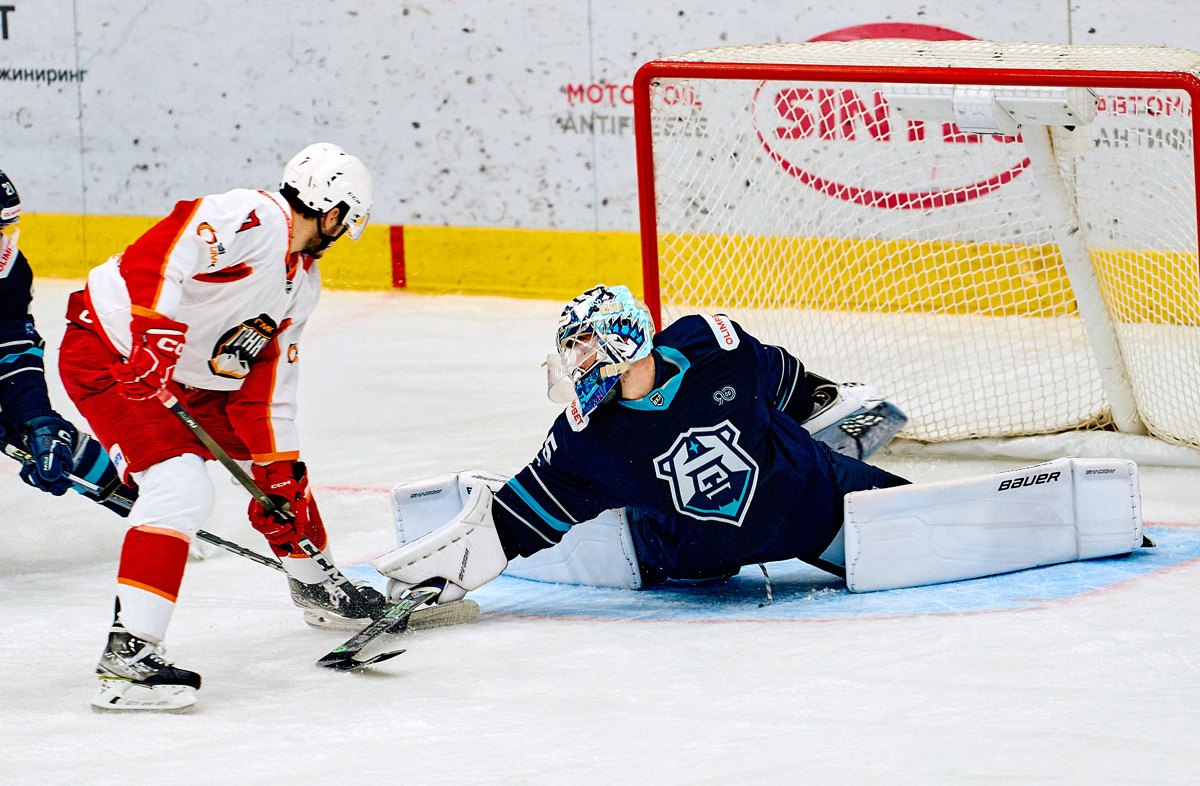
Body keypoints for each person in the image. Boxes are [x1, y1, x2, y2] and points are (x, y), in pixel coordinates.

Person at [373, 284, 1146, 605]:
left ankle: (1086, 522)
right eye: (568, 348)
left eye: (582, 346)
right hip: (688, 555)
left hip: (815, 504)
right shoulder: (584, 441)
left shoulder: (713, 346)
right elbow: (514, 520)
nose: (574, 363)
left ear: (622, 342)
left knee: (912, 516)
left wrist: (830, 405)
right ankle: (641, 534)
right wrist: (444, 575)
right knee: (663, 537)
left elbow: (781, 378)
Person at [59, 143, 379, 713]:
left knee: (281, 473)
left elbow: (267, 388)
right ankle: (129, 659)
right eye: (346, 220)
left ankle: (318, 585)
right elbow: (165, 251)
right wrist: (153, 331)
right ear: (333, 211)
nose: (343, 233)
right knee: (179, 485)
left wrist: (277, 467)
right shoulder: (252, 217)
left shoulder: (302, 284)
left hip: (186, 376)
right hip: (114, 354)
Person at [0, 169, 133, 515]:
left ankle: (149, 505)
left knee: (40, 436)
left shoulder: (9, 272)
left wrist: (37, 420)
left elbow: (12, 350)